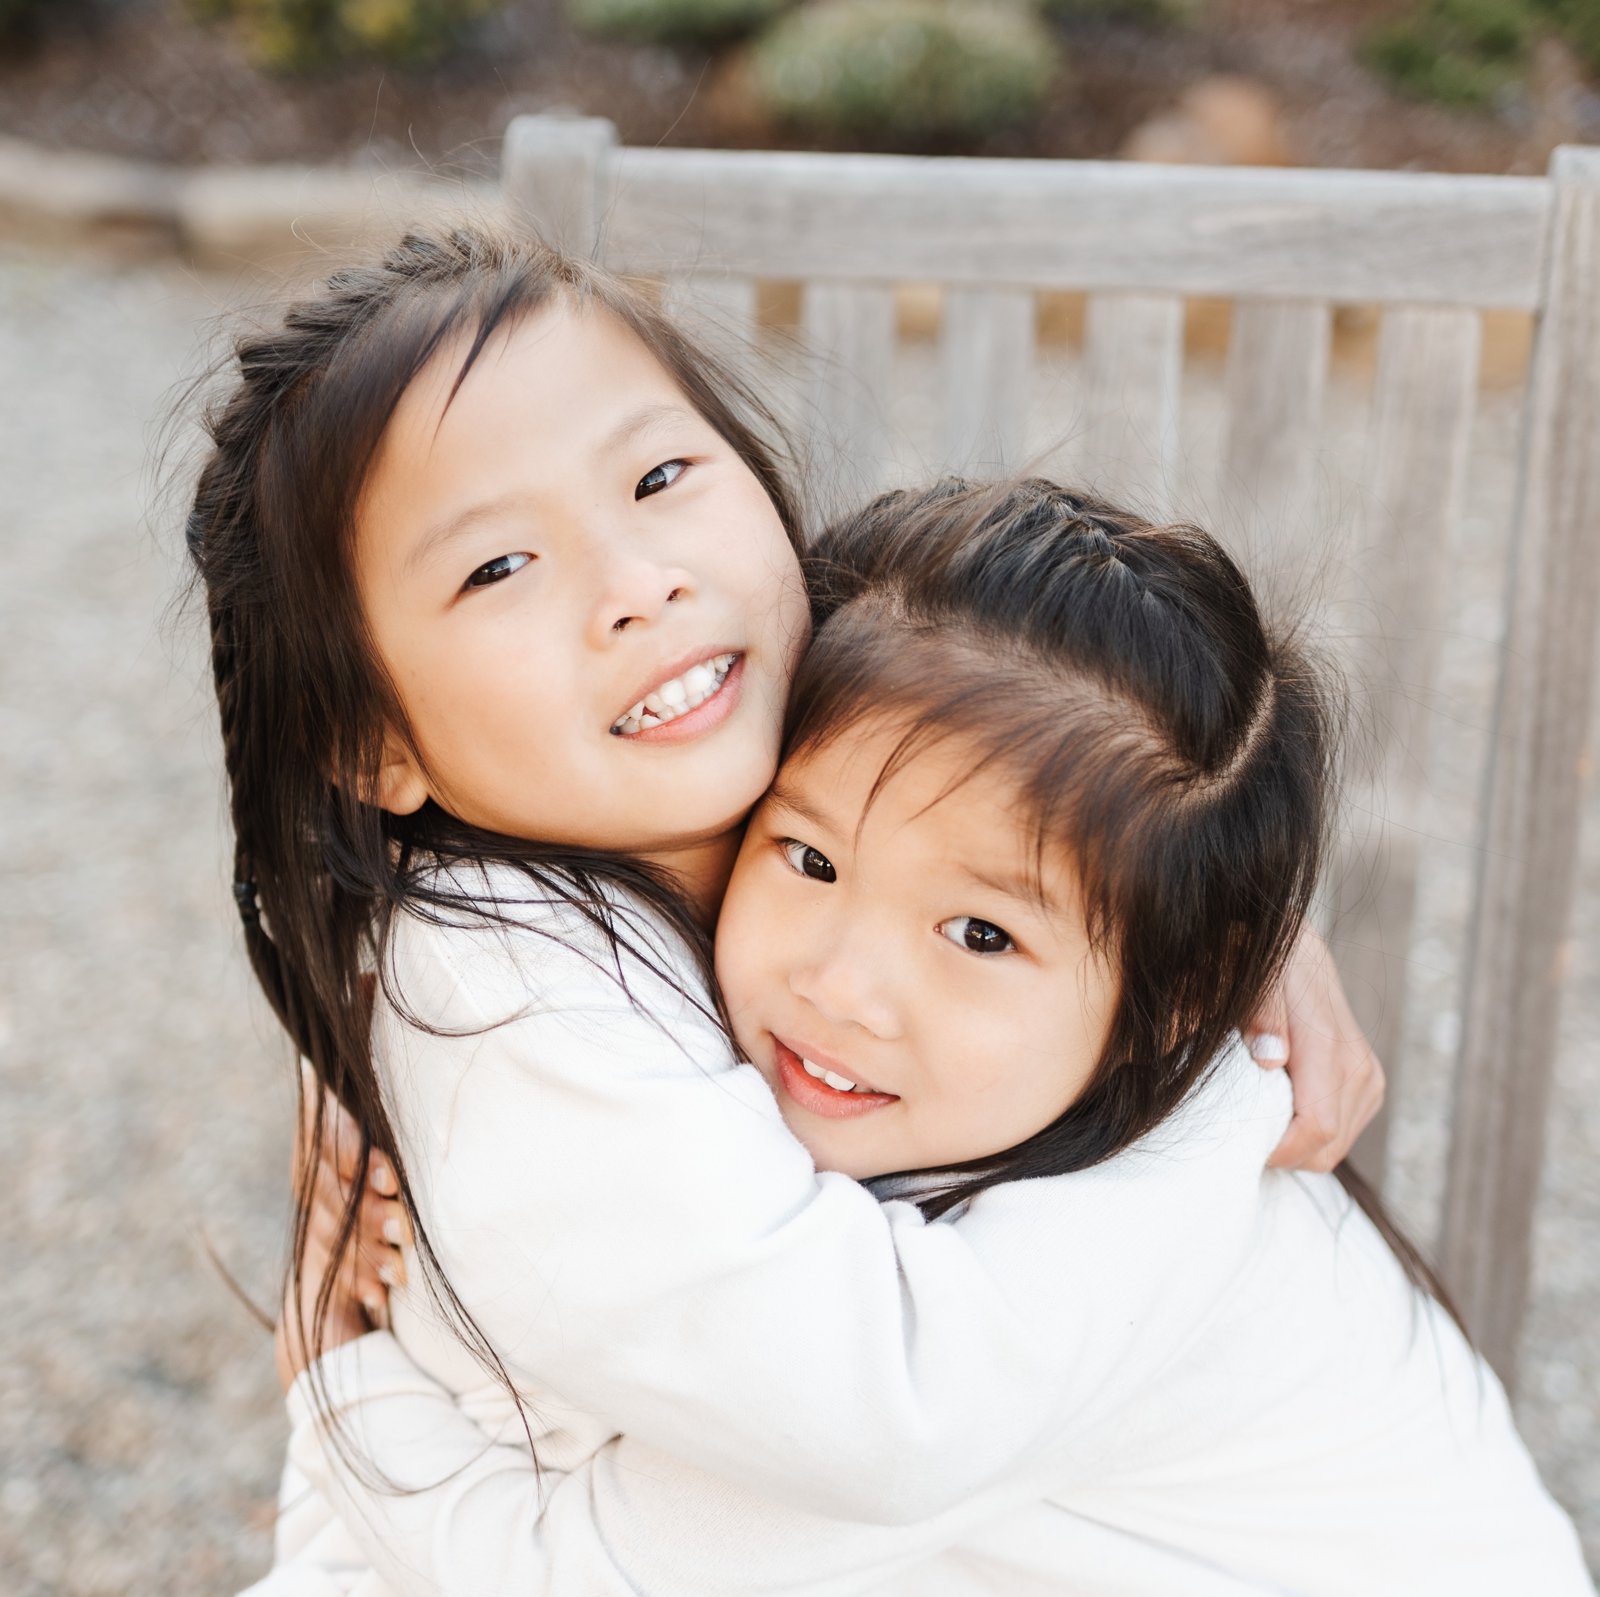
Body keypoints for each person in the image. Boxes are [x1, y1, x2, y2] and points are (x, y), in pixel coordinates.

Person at [182, 226, 1385, 1594]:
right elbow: (889, 1408)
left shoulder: (778, 726)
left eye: (658, 475)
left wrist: (1230, 921)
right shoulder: (509, 988)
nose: (643, 586)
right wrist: (1225, 1083)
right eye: (497, 568)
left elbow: (1100, 737)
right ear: (370, 741)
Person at [266, 478, 1592, 1595]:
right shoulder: (1000, 1081)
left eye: (978, 937)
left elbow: (571, 1570)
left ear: (1170, 1003)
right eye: (808, 855)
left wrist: (340, 1371)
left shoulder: (1032, 1308)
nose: (845, 985)